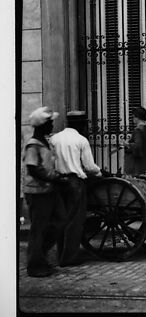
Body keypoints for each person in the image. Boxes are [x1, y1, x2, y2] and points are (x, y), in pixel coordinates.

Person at [50, 111, 101, 266]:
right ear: (81, 124)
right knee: (75, 221)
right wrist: (99, 173)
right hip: (74, 183)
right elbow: (89, 167)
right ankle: (70, 257)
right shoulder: (81, 140)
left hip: (58, 182)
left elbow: (50, 162)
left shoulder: (54, 139)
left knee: (61, 219)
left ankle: (61, 255)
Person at [22, 107, 66, 277]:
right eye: (50, 123)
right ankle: (35, 264)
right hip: (37, 192)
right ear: (42, 125)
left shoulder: (44, 142)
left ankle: (40, 255)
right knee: (38, 229)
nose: (52, 125)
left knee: (60, 221)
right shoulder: (33, 144)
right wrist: (53, 178)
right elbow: (33, 169)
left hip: (49, 190)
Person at [124, 107, 146, 175]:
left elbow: (137, 146)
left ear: (137, 117)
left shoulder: (138, 130)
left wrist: (127, 144)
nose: (133, 119)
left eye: (133, 117)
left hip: (138, 165)